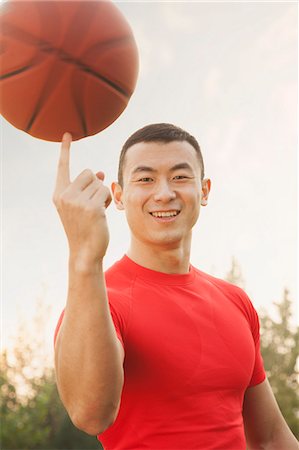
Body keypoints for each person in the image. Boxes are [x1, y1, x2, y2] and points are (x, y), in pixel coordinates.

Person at [53, 123, 298, 450]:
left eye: (180, 177)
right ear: (120, 195)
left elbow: (269, 439)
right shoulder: (99, 301)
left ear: (205, 190)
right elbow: (90, 414)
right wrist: (84, 257)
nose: (164, 192)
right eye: (145, 179)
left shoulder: (235, 301)